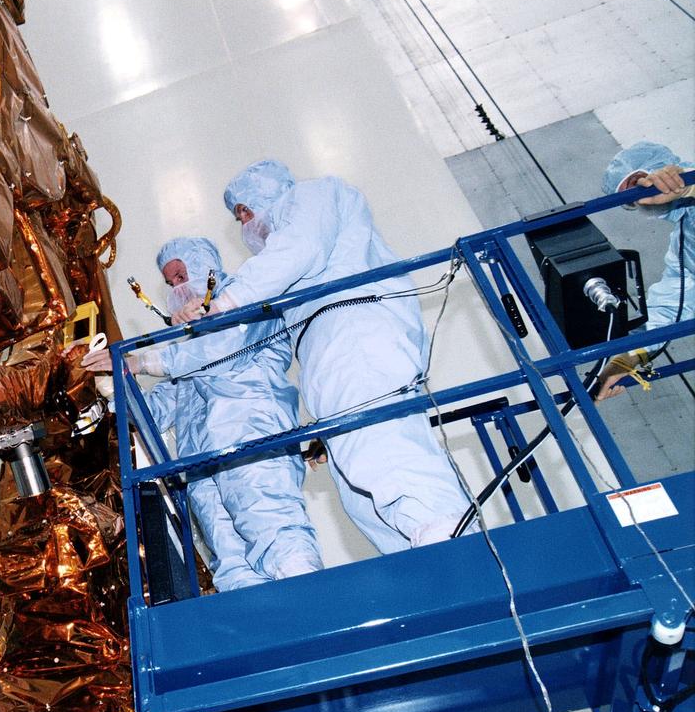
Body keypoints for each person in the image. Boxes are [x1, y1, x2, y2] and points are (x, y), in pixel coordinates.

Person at [171, 160, 472, 553]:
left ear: (268, 191)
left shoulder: (311, 196)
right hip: (330, 353)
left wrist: (224, 301)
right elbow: (246, 333)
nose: (244, 223)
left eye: (245, 209)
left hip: (355, 331)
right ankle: (421, 565)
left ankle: (446, 540)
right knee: (358, 491)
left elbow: (297, 249)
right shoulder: (285, 276)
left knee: (382, 447)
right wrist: (201, 307)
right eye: (238, 217)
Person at [86, 237, 322, 586]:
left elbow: (224, 349)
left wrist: (142, 361)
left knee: (273, 530)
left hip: (252, 440)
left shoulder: (249, 300)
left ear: (205, 269)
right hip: (201, 467)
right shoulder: (187, 353)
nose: (176, 287)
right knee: (230, 560)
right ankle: (263, 629)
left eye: (181, 275)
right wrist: (109, 393)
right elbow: (155, 410)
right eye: (170, 283)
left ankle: (313, 606)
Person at [596, 142, 693, 400]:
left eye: (641, 182)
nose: (642, 197)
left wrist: (689, 185)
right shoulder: (687, 245)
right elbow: (669, 309)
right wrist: (620, 364)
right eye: (631, 200)